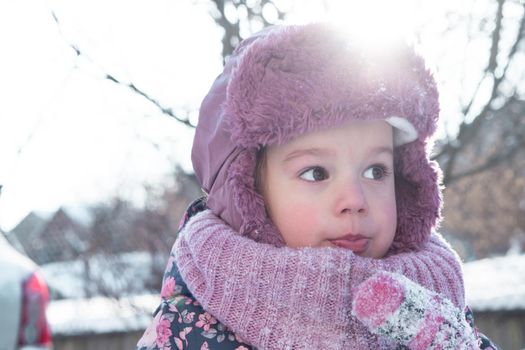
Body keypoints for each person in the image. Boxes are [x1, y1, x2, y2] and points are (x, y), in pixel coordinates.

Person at [137, 23, 498, 349]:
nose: (355, 200)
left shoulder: (437, 300)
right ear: (249, 195)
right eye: (316, 173)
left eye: (375, 171)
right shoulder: (189, 327)